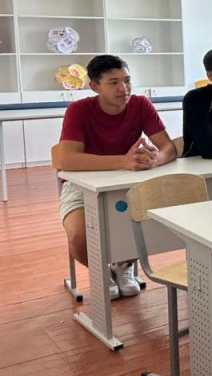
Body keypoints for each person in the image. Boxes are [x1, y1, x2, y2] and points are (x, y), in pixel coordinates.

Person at [58, 55, 176, 299]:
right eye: (114, 82)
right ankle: (102, 271)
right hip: (82, 186)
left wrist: (155, 159)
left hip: (128, 183)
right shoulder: (79, 110)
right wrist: (123, 161)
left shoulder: (140, 104)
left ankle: (123, 265)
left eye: (127, 80)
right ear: (94, 86)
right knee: (78, 236)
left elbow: (169, 148)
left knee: (143, 225)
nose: (124, 88)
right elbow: (67, 160)